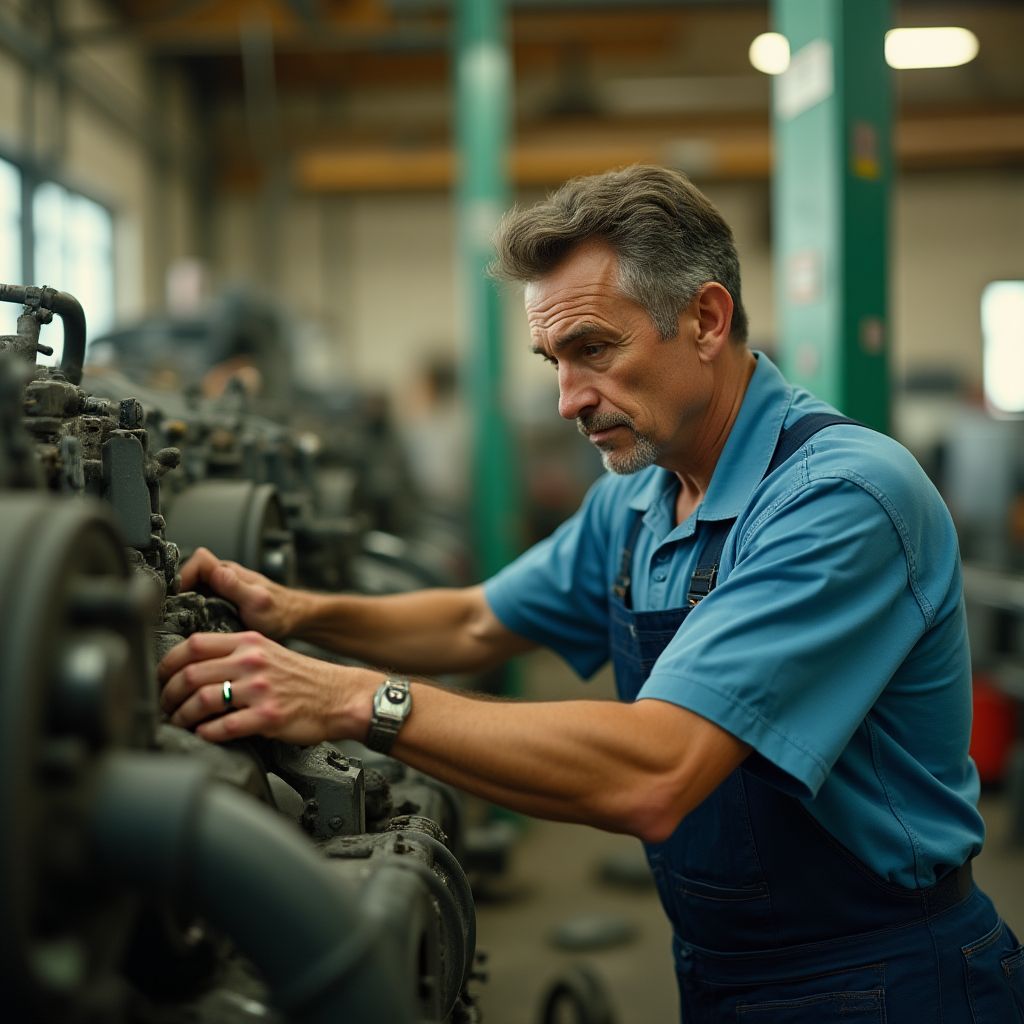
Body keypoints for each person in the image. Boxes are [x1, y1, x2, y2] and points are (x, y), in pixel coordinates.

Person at [159, 165, 1024, 1021]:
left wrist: (352, 697)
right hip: (721, 967)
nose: (569, 398)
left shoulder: (840, 498)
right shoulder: (639, 498)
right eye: (553, 359)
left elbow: (657, 770)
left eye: (594, 350)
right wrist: (298, 611)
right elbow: (473, 620)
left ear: (705, 319)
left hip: (887, 976)